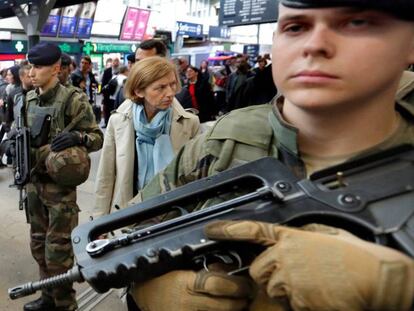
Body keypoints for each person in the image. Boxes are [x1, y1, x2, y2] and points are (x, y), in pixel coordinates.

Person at [128, 1, 414, 310]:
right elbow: (126, 237)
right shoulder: (222, 141)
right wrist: (146, 289)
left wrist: (397, 286)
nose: (315, 44)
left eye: (357, 23)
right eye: (295, 27)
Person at [6, 42, 103, 311]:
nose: (31, 72)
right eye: (29, 66)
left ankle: (65, 304)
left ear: (56, 68)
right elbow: (19, 134)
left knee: (58, 252)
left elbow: (97, 138)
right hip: (34, 185)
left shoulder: (73, 99)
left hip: (60, 190)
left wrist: (78, 137)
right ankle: (48, 297)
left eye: (38, 67)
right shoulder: (27, 99)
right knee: (38, 245)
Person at [92, 56, 200, 220]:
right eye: (160, 87)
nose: (170, 93)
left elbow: (197, 179)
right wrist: (99, 221)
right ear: (139, 91)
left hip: (173, 215)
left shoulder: (189, 123)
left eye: (172, 84)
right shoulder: (119, 121)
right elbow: (106, 176)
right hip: (126, 213)